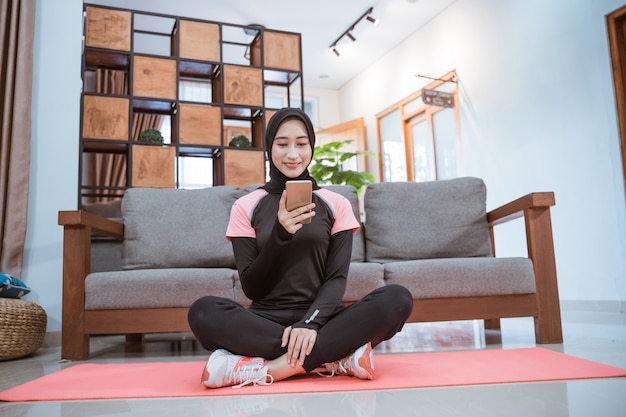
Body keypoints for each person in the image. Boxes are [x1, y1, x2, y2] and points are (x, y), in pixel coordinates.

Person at [187, 107, 413, 389]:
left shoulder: (336, 203)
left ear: (311, 146)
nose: (292, 154)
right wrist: (280, 235)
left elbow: (336, 279)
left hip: (324, 316)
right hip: (266, 319)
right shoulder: (246, 206)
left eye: (301, 144)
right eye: (282, 144)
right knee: (203, 312)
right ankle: (334, 357)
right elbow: (252, 288)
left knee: (398, 298)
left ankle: (273, 368)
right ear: (270, 148)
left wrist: (309, 324)